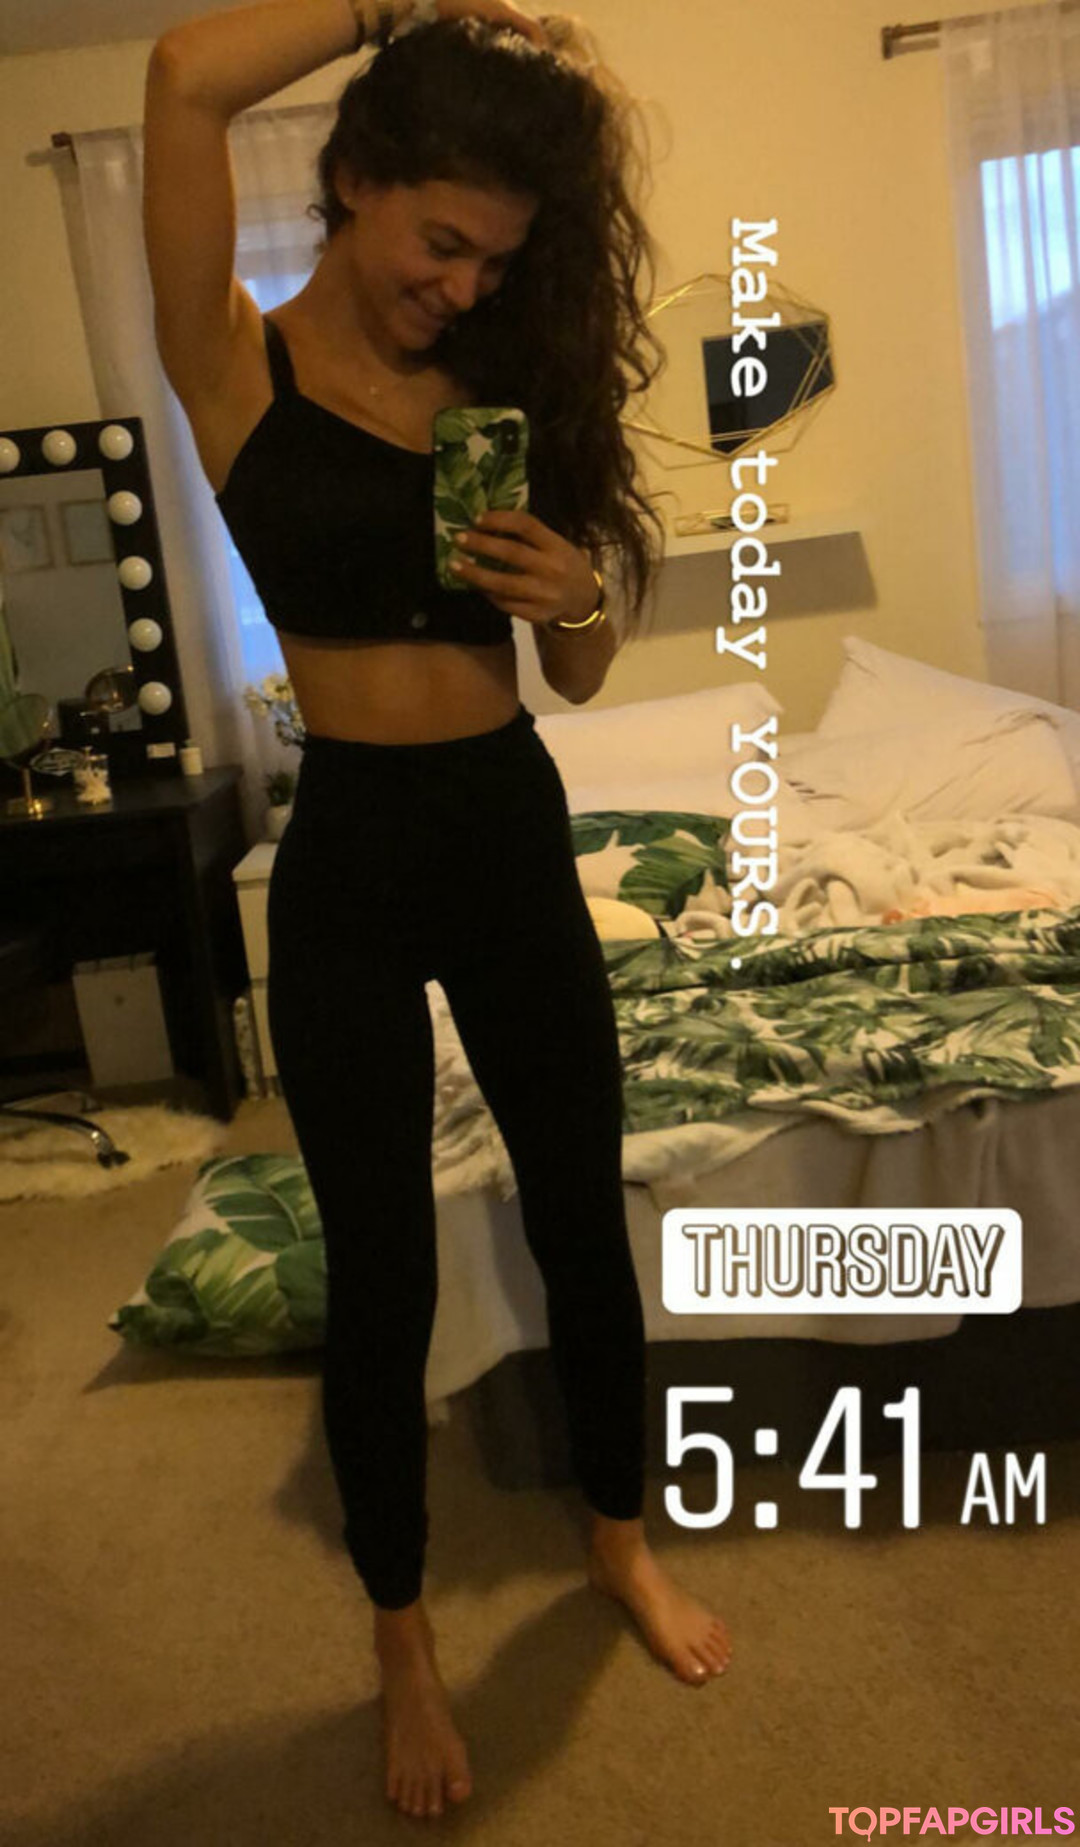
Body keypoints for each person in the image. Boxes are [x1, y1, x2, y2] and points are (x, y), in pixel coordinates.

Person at [143, 0, 731, 1819]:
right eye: (443, 241)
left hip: (502, 824)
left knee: (579, 1211)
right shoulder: (231, 364)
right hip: (350, 850)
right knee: (382, 1267)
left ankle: (616, 1538)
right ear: (354, 181)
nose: (466, 287)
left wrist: (574, 596)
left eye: (498, 259)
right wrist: (402, 8)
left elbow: (575, 669)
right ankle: (401, 1639)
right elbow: (181, 74)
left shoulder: (506, 388)